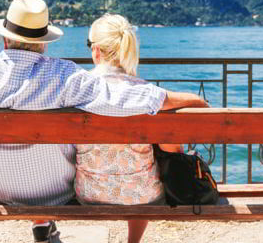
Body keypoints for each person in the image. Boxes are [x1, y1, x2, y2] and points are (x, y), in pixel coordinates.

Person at [0, 0, 207, 243]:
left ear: (4, 39)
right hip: (57, 194)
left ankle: (42, 224)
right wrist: (186, 99)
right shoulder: (63, 74)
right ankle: (44, 219)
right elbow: (123, 100)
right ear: (43, 42)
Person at [75, 13, 206, 243]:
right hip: (143, 196)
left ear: (96, 50)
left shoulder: (75, 89)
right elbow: (200, 104)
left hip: (88, 193)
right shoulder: (147, 94)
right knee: (144, 167)